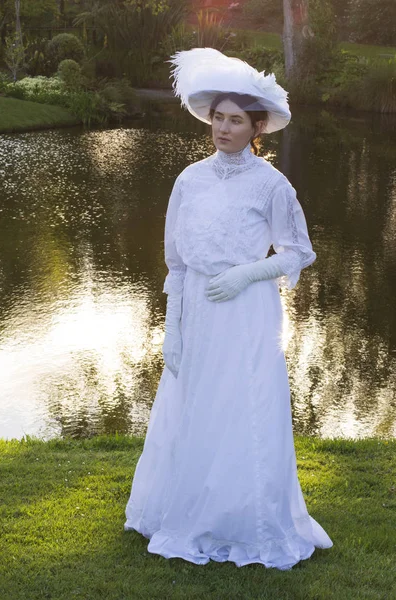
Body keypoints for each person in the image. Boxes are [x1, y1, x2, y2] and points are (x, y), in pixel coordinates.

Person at [124, 48, 333, 570]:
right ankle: (186, 507)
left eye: (235, 119)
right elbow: (175, 261)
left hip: (246, 311)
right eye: (217, 117)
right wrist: (170, 331)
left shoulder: (271, 184)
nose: (223, 127)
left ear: (256, 126)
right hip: (195, 307)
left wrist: (247, 272)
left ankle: (246, 518)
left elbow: (298, 250)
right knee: (193, 403)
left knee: (243, 405)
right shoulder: (188, 180)